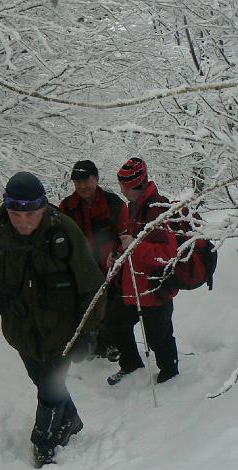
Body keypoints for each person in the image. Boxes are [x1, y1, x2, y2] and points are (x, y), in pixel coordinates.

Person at [0, 171, 106, 468]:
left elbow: (92, 285)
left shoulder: (63, 230)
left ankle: (44, 444)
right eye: (15, 213)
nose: (22, 221)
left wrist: (90, 331)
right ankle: (70, 420)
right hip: (20, 330)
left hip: (63, 329)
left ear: (43, 207)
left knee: (50, 386)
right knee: (42, 380)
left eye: (31, 214)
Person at [104, 157, 180, 386]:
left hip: (155, 288)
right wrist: (117, 254)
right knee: (115, 322)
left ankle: (170, 376)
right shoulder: (132, 208)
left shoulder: (158, 210)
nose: (121, 191)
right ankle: (131, 364)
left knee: (159, 338)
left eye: (123, 187)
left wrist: (133, 247)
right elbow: (128, 238)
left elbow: (168, 253)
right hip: (132, 285)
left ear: (134, 185)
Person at [58, 160, 128, 362]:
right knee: (85, 306)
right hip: (80, 269)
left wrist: (117, 254)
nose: (81, 187)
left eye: (85, 181)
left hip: (110, 267)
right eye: (77, 182)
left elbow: (126, 235)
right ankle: (91, 345)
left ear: (96, 179)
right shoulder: (67, 207)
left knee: (111, 307)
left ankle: (112, 345)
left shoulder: (113, 204)